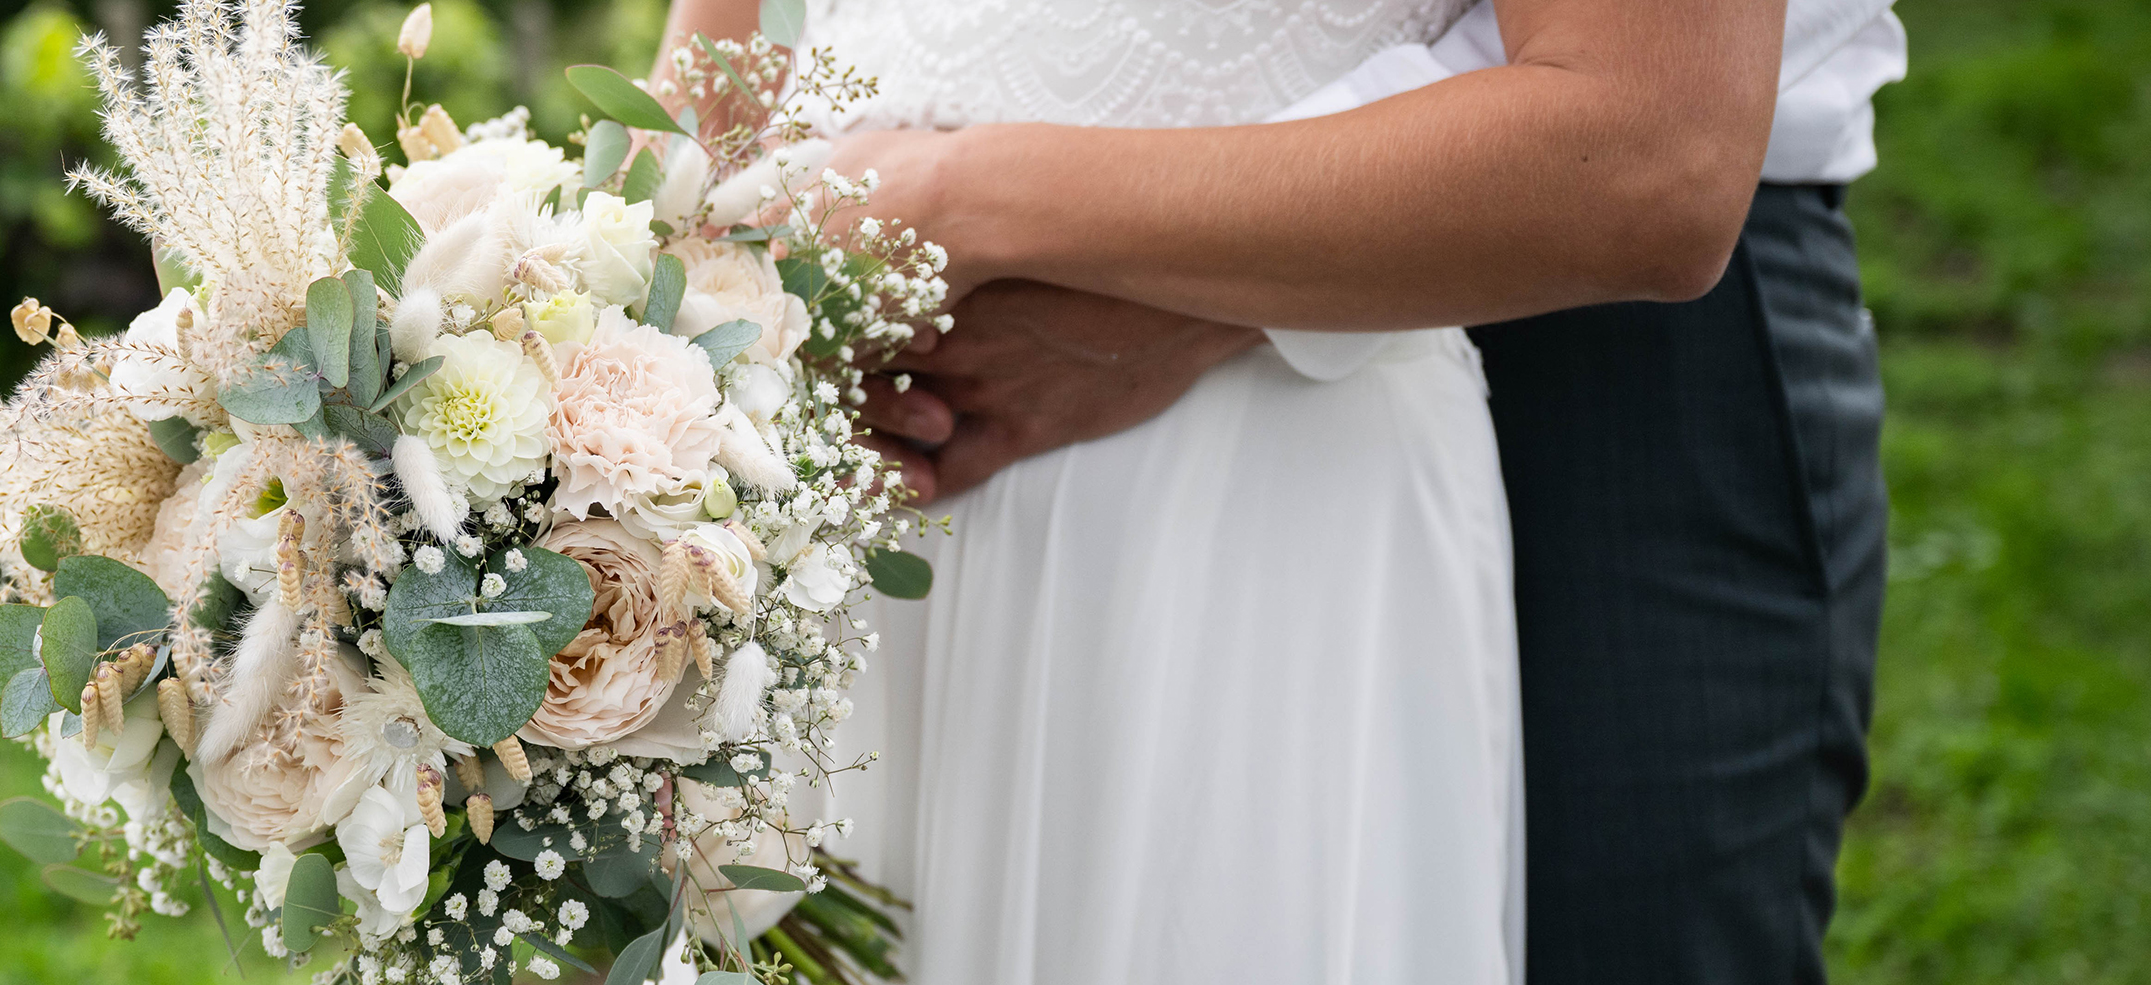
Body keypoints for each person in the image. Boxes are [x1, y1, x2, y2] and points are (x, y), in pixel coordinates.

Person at [658, 0, 1901, 981]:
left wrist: (970, 203)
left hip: (1293, 483)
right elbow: (706, 98)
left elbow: (1649, 145)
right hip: (881, 491)